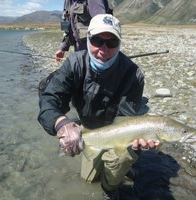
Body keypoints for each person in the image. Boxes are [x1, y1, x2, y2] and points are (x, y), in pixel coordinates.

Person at [38, 14, 160, 200]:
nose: (103, 49)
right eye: (97, 41)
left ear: (119, 44)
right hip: (88, 125)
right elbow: (49, 100)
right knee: (88, 180)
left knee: (122, 160)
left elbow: (125, 119)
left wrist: (137, 138)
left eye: (111, 43)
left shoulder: (133, 75)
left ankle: (112, 188)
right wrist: (61, 123)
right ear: (88, 40)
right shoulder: (74, 64)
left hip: (118, 128)